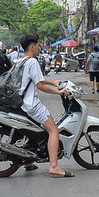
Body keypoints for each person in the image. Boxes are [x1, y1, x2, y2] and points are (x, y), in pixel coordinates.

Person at [19, 34, 74, 178]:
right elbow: (40, 85)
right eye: (38, 45)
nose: (39, 48)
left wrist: (53, 82)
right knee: (54, 130)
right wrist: (59, 91)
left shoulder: (22, 60)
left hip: (23, 103)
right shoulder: (32, 62)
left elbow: (39, 80)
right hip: (32, 104)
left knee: (35, 131)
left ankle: (28, 162)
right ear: (32, 47)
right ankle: (54, 166)